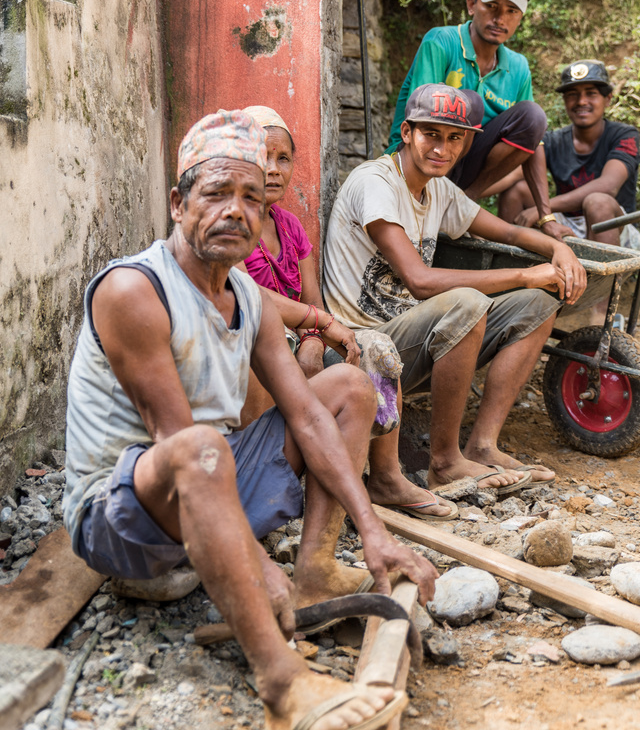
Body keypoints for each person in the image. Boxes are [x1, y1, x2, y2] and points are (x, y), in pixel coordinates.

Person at [63, 108, 435, 730]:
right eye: (216, 194)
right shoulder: (133, 289)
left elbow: (312, 419)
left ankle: (314, 568)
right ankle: (281, 681)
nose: (236, 210)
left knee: (347, 386)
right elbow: (176, 439)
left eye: (251, 199)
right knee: (202, 447)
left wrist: (372, 531)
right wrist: (256, 563)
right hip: (120, 515)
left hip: (209, 480)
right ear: (179, 204)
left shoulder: (251, 298)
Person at [324, 84, 588, 522]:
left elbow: (506, 232)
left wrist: (557, 248)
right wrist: (524, 272)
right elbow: (420, 280)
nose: (441, 148)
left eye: (455, 138)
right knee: (465, 302)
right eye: (431, 134)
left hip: (410, 338)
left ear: (468, 142)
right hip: (361, 349)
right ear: (407, 132)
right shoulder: (376, 182)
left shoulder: (439, 189)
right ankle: (444, 464)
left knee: (539, 303)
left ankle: (482, 445)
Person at [239, 105, 400, 437]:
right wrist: (311, 329)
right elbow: (244, 295)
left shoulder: (291, 226)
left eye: (283, 159)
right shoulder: (229, 223)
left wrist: (312, 339)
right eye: (261, 156)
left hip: (302, 334)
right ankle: (275, 458)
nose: (273, 169)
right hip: (255, 341)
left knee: (376, 347)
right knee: (274, 341)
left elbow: (314, 302)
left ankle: (384, 475)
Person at [386, 0, 570, 242]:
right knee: (468, 103)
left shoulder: (518, 67)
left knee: (533, 117)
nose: (500, 18)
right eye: (492, 6)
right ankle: (437, 197)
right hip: (416, 162)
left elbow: (535, 143)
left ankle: (464, 201)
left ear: (520, 18)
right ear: (472, 5)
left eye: (511, 11)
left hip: (464, 174)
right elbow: (418, 117)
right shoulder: (441, 41)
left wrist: (546, 217)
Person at [498, 60, 640, 249]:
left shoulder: (623, 135)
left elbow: (608, 186)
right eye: (573, 95)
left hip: (615, 228)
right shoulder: (553, 140)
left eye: (591, 94)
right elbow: (512, 174)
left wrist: (541, 210)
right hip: (567, 225)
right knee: (517, 189)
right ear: (565, 101)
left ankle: (608, 277)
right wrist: (464, 193)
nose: (581, 101)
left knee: (598, 201)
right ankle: (509, 264)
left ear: (607, 99)